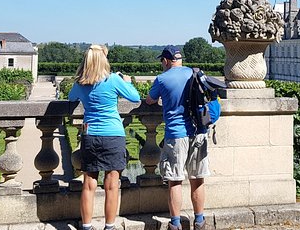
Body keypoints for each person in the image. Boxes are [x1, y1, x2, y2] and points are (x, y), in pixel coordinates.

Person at [68, 44, 141, 230]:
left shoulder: (80, 83)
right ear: (104, 61)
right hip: (113, 135)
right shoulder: (113, 80)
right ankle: (109, 226)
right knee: (111, 185)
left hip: (91, 134)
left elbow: (70, 99)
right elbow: (135, 97)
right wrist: (125, 81)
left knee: (88, 184)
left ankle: (86, 226)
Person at [145, 45, 209, 230]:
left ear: (166, 61)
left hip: (176, 134)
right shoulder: (195, 73)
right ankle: (199, 221)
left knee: (175, 180)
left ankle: (175, 224)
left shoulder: (162, 79)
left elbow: (150, 100)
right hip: (199, 132)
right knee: (197, 179)